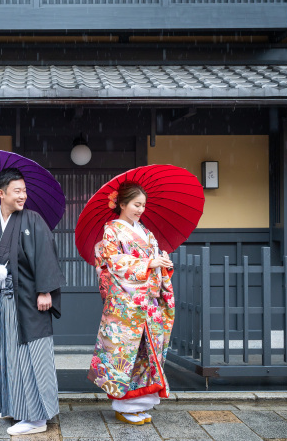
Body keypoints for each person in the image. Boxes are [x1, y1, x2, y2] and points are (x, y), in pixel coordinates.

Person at [0, 167, 67, 436]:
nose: (23, 195)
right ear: (1, 193)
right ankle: (16, 407)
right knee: (10, 355)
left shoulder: (33, 219)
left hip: (29, 300)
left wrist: (46, 290)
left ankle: (37, 417)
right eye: (17, 191)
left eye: (24, 190)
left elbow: (47, 254)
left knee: (33, 354)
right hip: (4, 302)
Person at [87, 182, 175, 425]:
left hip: (149, 302)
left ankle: (140, 404)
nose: (141, 210)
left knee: (148, 353)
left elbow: (153, 260)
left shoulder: (146, 233)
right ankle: (124, 406)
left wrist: (162, 262)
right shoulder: (112, 231)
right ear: (122, 204)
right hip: (125, 305)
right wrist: (147, 264)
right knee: (127, 354)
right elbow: (113, 262)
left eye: (143, 205)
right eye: (137, 205)